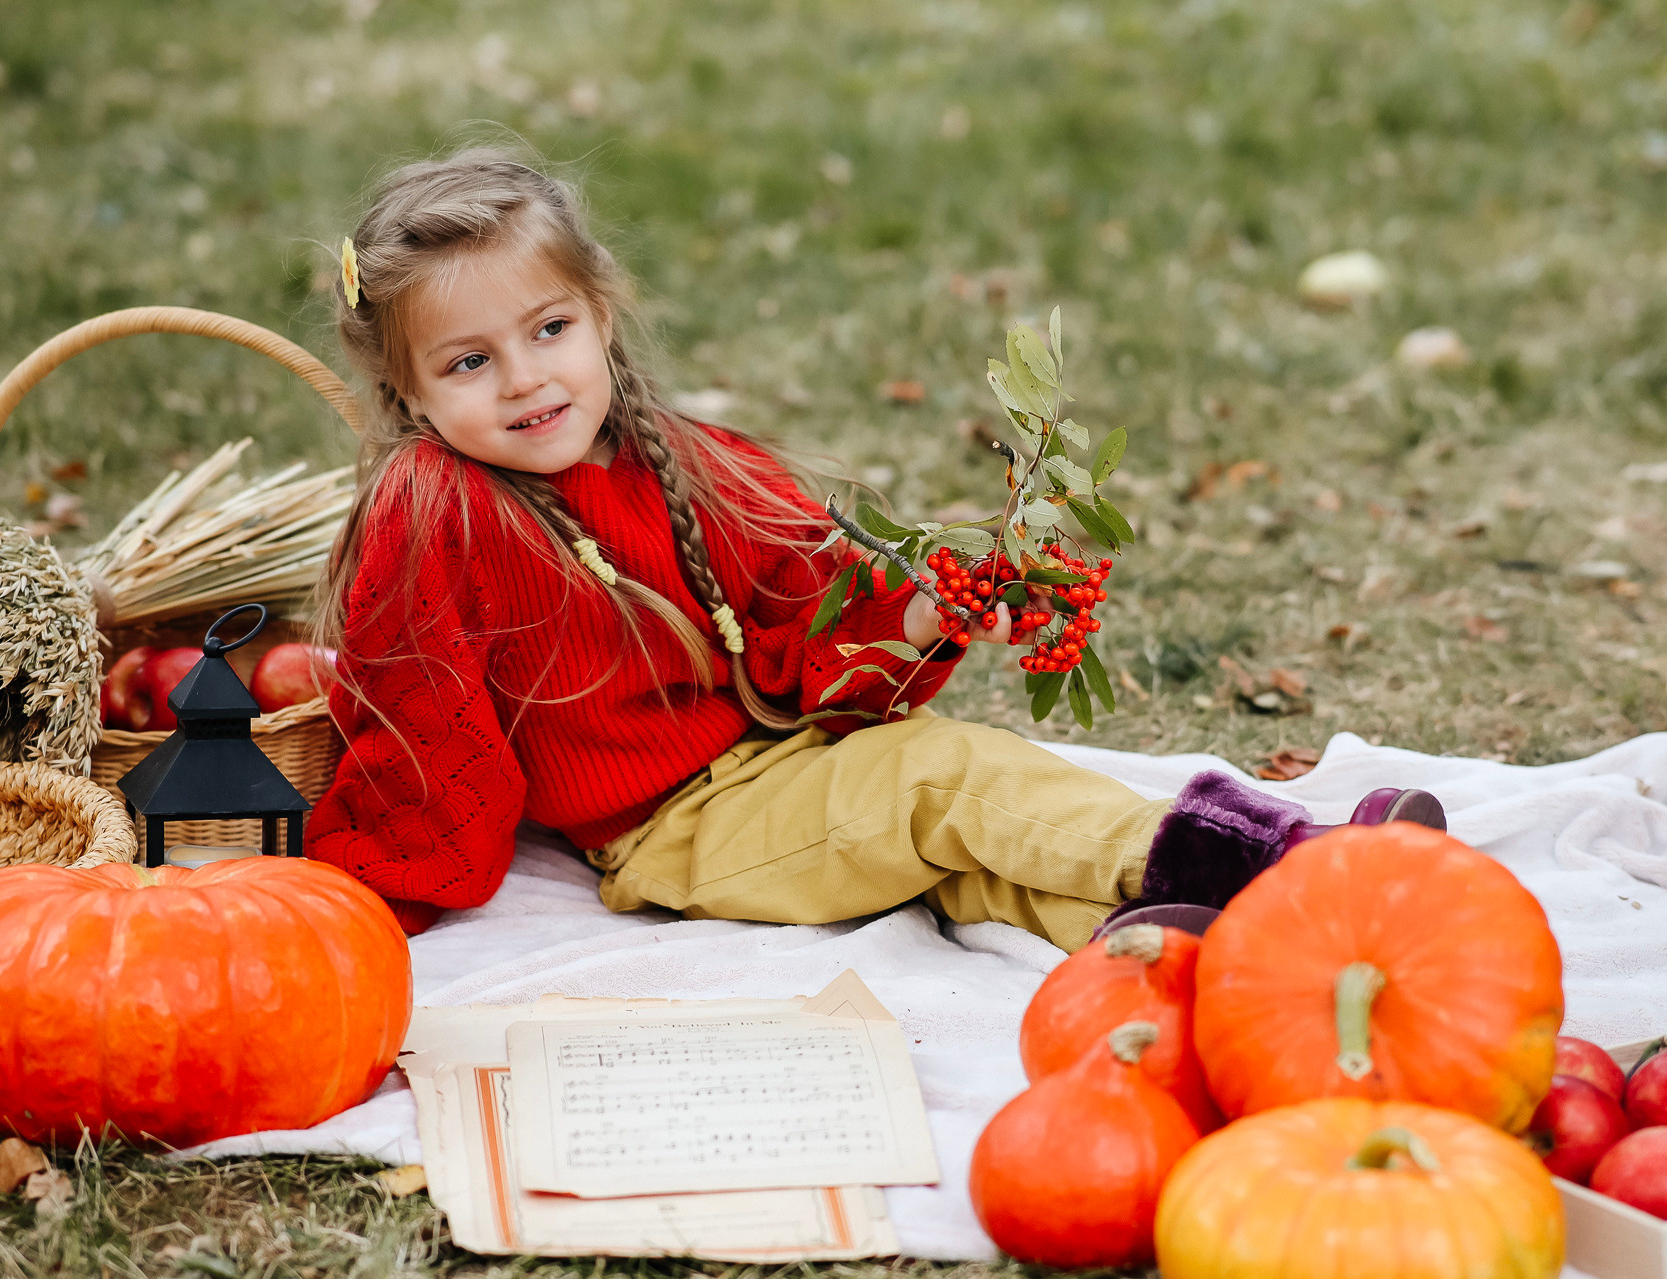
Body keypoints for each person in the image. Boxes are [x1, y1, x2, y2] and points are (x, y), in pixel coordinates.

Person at [304, 147, 1439, 950]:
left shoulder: (683, 458)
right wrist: (368, 900)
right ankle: (1288, 857)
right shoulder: (442, 505)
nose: (525, 379)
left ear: (601, 315)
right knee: (942, 780)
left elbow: (809, 603)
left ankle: (1223, 943)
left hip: (783, 759)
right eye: (469, 362)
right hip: (675, 832)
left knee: (975, 851)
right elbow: (416, 704)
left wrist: (936, 601)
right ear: (406, 388)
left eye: (549, 329)